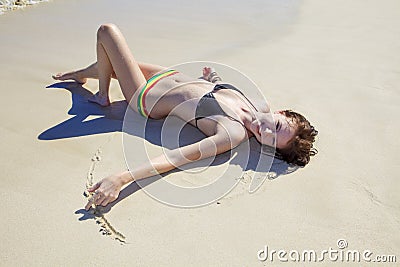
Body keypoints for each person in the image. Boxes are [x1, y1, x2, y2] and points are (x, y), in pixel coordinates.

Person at [52, 24, 318, 210]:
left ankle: (101, 95)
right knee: (110, 63)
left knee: (107, 32)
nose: (267, 132)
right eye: (278, 126)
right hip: (168, 75)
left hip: (145, 97)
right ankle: (82, 75)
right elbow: (224, 89)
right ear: (280, 112)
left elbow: (175, 158)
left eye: (272, 140)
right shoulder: (258, 103)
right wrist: (212, 79)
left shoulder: (232, 133)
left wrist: (122, 178)